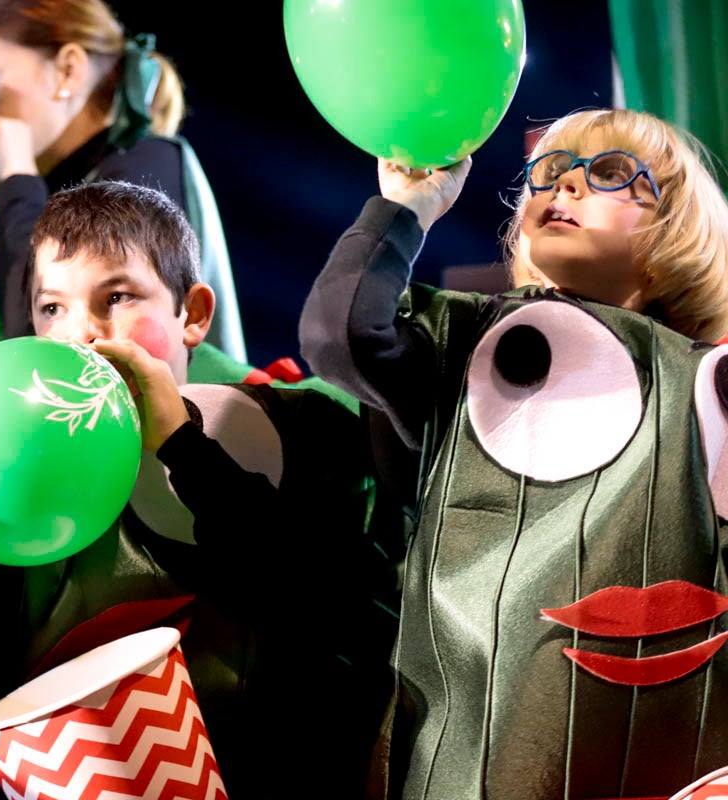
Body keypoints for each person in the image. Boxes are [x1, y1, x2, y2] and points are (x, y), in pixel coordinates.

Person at [0, 179, 401, 799]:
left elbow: (350, 618)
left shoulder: (295, 432)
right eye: (53, 308)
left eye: (119, 296)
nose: (85, 334)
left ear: (194, 315)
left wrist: (183, 446)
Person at [298, 107, 728, 798]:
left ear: (677, 226)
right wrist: (407, 207)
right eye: (549, 175)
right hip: (477, 747)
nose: (565, 187)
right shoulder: (467, 342)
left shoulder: (707, 380)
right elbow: (342, 333)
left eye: (611, 173)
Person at [0, 0, 250, 367]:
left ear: (67, 71)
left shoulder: (147, 164)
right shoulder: (65, 184)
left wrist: (17, 174)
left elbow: (30, 336)